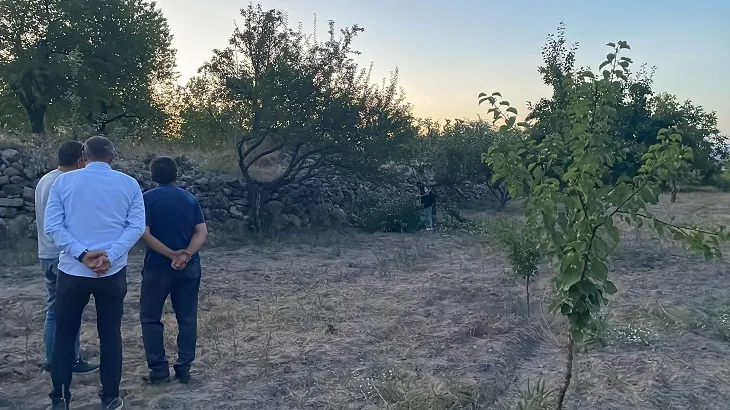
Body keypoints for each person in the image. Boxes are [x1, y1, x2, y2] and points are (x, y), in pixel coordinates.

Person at [44, 136, 145, 410]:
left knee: (65, 335)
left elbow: (53, 226)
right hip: (112, 273)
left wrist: (81, 253)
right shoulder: (129, 184)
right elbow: (136, 227)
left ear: (84, 156)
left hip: (72, 271)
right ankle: (110, 397)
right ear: (112, 156)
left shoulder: (63, 182)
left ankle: (60, 398)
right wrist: (109, 255)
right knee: (110, 334)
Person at [140, 156, 207, 385]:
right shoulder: (189, 199)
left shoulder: (147, 199)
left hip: (157, 268)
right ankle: (184, 368)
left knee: (150, 318)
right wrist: (186, 254)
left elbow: (144, 233)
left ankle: (158, 370)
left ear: (152, 176)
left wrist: (169, 254)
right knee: (187, 317)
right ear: (176, 174)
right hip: (189, 267)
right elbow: (201, 232)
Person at [35, 141, 99, 374]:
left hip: (46, 253)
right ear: (80, 161)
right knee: (68, 311)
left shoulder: (45, 180)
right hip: (64, 255)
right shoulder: (65, 183)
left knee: (54, 309)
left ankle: (53, 359)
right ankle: (68, 361)